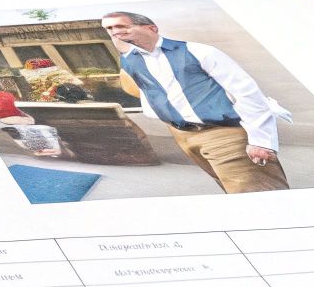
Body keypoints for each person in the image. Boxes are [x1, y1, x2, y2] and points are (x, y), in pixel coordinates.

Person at [102, 10, 289, 193]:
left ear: (152, 28)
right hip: (184, 136)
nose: (114, 31)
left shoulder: (198, 52)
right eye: (109, 28)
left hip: (223, 134)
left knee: (255, 194)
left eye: (122, 25)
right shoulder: (130, 60)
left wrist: (261, 141)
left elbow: (247, 93)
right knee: (233, 191)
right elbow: (136, 90)